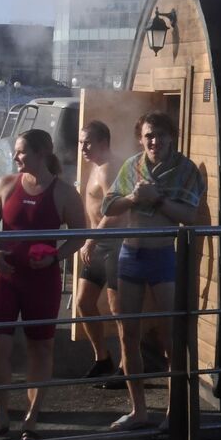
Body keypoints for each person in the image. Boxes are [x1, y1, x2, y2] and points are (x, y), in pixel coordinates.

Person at [0, 129, 84, 440]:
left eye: (21, 152)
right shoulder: (5, 185)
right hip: (3, 277)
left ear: (41, 153)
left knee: (41, 347)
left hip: (41, 280)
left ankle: (31, 418)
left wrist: (55, 258)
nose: (16, 157)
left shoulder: (63, 193)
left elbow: (80, 234)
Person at [101, 112, 205, 431]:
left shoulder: (185, 170)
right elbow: (108, 206)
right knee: (127, 333)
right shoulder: (132, 166)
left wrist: (157, 200)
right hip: (131, 254)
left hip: (163, 256)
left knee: (171, 336)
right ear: (140, 138)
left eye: (160, 135)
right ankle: (139, 411)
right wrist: (133, 197)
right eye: (148, 136)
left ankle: (175, 413)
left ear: (172, 136)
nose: (154, 142)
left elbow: (190, 216)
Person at [75, 120, 123, 381]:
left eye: (87, 142)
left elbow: (116, 211)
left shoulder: (107, 170)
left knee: (119, 310)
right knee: (84, 302)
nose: (82, 147)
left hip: (114, 244)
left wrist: (92, 239)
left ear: (103, 143)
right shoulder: (93, 168)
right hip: (96, 242)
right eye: (81, 142)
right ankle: (102, 357)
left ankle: (127, 366)